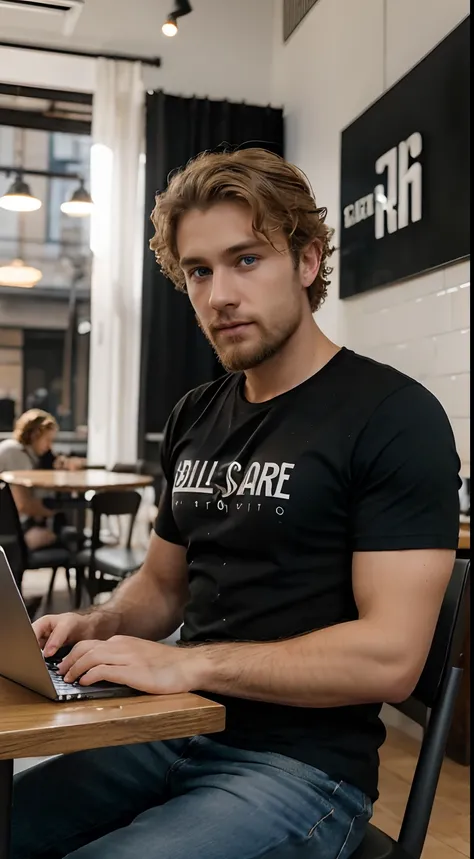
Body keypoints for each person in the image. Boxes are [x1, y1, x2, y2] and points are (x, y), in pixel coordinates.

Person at [11, 149, 460, 859]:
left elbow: (390, 657)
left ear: (308, 262)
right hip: (169, 730)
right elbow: (162, 588)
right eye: (198, 270)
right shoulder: (196, 413)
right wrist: (97, 623)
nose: (218, 294)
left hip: (302, 771)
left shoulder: (394, 416)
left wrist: (190, 665)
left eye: (246, 260)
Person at [0, 408, 84, 550]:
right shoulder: (15, 453)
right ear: (35, 435)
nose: (50, 446)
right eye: (48, 440)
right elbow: (23, 505)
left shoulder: (25, 453)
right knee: (63, 539)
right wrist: (58, 509)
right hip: (8, 533)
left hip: (12, 527)